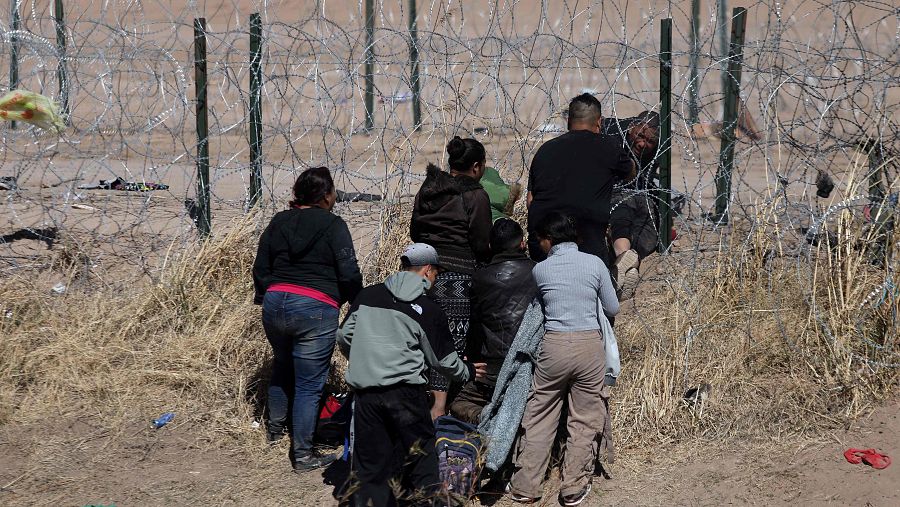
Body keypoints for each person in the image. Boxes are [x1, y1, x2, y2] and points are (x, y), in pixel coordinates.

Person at [336, 243, 486, 506]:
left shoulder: (367, 296)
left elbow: (344, 336)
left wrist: (366, 360)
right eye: (436, 273)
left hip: (367, 396)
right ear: (427, 270)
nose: (435, 279)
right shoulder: (428, 309)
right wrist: (469, 370)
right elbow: (443, 361)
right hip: (405, 396)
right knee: (421, 462)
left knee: (371, 466)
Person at [252, 166, 363, 472]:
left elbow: (261, 266)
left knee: (282, 365)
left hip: (275, 303)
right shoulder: (334, 225)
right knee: (309, 385)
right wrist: (357, 302)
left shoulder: (279, 221)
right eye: (333, 192)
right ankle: (303, 455)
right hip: (316, 307)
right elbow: (349, 272)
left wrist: (266, 296)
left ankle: (275, 432)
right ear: (326, 196)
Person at [507, 212, 619, 507]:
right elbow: (612, 307)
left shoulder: (541, 270)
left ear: (549, 239)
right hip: (589, 346)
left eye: (540, 240)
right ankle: (573, 487)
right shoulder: (594, 263)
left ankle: (526, 485)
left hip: (553, 346)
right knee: (584, 417)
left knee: (541, 413)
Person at [410, 136, 493, 419]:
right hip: (457, 279)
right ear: (476, 166)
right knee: (450, 343)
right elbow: (480, 242)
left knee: (421, 339)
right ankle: (439, 410)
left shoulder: (429, 188)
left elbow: (415, 231)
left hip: (420, 273)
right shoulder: (475, 195)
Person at [526, 93, 635, 264]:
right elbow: (630, 173)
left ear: (569, 121)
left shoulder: (545, 150)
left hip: (542, 245)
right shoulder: (608, 146)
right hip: (586, 244)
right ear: (599, 122)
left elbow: (530, 201)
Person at [450, 218, 537, 424]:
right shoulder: (538, 271)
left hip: (494, 366)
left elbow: (475, 324)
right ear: (522, 243)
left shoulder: (479, 278)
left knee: (458, 404)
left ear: (490, 246)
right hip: (531, 362)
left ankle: (487, 417)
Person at [602, 111, 661, 300]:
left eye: (650, 141)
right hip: (614, 193)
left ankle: (627, 263)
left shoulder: (660, 150)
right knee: (623, 211)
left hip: (641, 194)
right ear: (631, 128)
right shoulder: (612, 131)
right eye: (640, 135)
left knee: (649, 230)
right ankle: (623, 254)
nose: (643, 144)